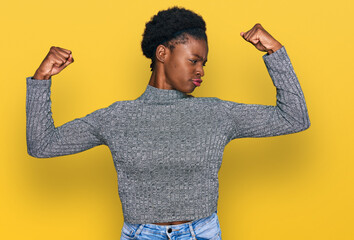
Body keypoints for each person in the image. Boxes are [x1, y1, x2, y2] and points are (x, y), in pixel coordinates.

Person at [26, 6, 310, 240]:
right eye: (194, 60)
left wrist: (275, 52)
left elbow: (294, 118)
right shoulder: (117, 117)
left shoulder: (217, 114)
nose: (200, 71)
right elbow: (42, 145)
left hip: (203, 233)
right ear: (162, 54)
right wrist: (41, 80)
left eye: (204, 64)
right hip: (140, 234)